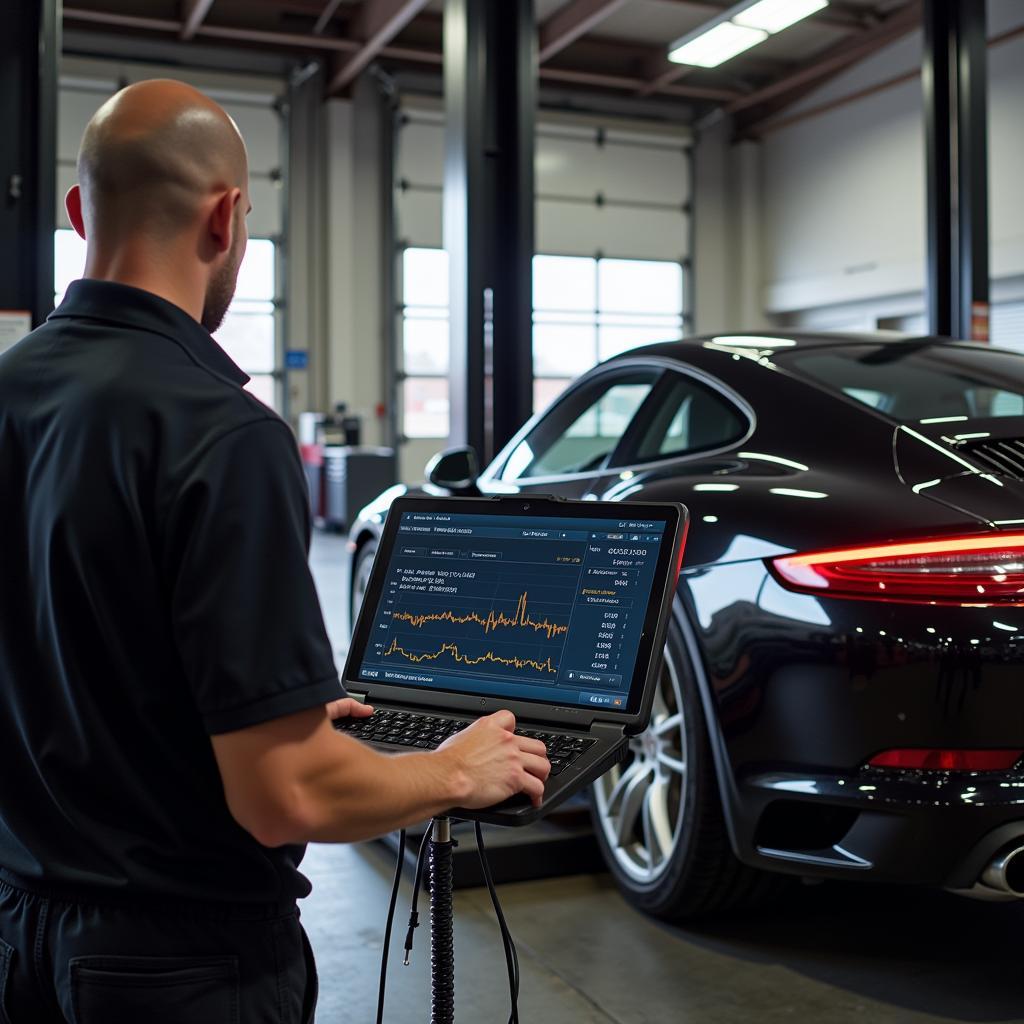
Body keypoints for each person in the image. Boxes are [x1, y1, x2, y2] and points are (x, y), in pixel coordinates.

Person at [0, 79, 549, 1023]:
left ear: (81, 210)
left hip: (18, 936)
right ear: (223, 219)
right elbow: (282, 797)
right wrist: (457, 770)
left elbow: (74, 651)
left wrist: (265, 707)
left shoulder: (9, 393)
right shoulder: (223, 433)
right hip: (177, 968)